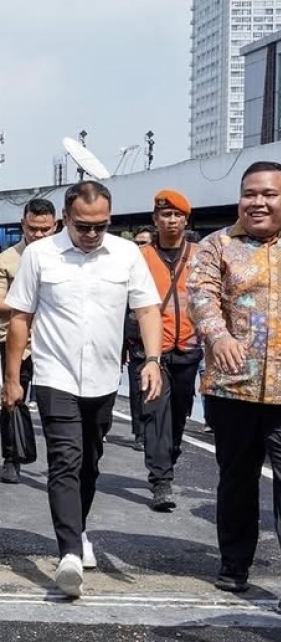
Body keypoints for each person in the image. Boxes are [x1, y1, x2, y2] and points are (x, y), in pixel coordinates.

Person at [4, 180, 162, 598]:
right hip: (55, 375)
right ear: (65, 219)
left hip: (104, 378)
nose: (91, 234)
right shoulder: (41, 254)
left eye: (100, 226)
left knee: (90, 462)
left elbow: (147, 307)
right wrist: (13, 379)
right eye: (82, 226)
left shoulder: (127, 254)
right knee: (65, 461)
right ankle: (69, 552)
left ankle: (79, 527)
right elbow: (20, 317)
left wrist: (153, 360)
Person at [188, 161, 281, 596]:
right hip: (233, 387)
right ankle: (235, 564)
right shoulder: (216, 245)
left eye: (269, 194)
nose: (258, 202)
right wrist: (219, 335)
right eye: (250, 193)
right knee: (237, 479)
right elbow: (202, 296)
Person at [127, 191, 202, 512]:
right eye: (165, 216)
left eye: (177, 216)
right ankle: (161, 481)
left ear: (186, 220)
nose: (171, 221)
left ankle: (169, 453)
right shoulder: (140, 256)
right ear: (155, 220)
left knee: (179, 413)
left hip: (188, 348)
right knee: (155, 414)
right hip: (151, 353)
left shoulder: (201, 255)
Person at [0, 198, 57, 484]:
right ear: (22, 225)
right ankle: (11, 458)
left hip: (55, 342)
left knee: (58, 406)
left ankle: (59, 460)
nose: (38, 235)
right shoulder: (8, 259)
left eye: (45, 230)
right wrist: (27, 308)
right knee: (12, 399)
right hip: (16, 341)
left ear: (56, 226)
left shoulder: (67, 256)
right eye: (32, 229)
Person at [124, 225, 157, 450]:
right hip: (134, 340)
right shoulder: (128, 267)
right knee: (137, 389)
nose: (139, 247)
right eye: (137, 243)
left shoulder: (158, 268)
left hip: (160, 340)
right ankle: (140, 432)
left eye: (144, 243)